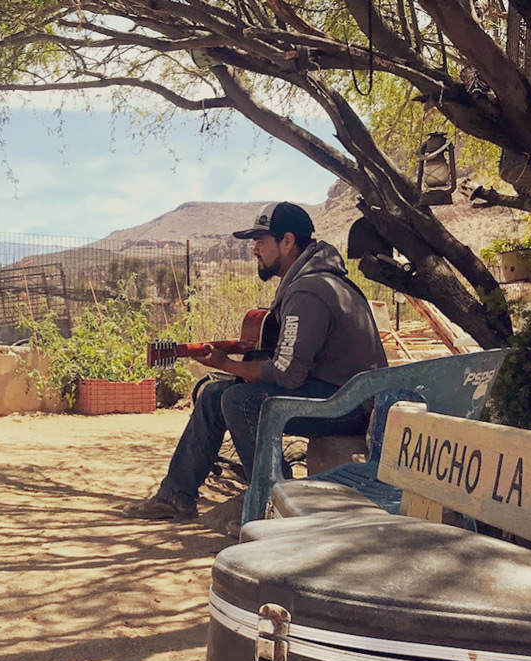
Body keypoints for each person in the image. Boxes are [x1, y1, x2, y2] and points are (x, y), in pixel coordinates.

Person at [123, 202, 387, 521]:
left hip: (351, 406)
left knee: (240, 400)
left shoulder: (310, 290)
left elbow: (287, 376)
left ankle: (277, 504)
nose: (254, 251)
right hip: (332, 393)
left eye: (261, 242)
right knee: (212, 396)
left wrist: (228, 365)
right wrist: (234, 365)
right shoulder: (309, 281)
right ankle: (176, 496)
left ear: (287, 241)